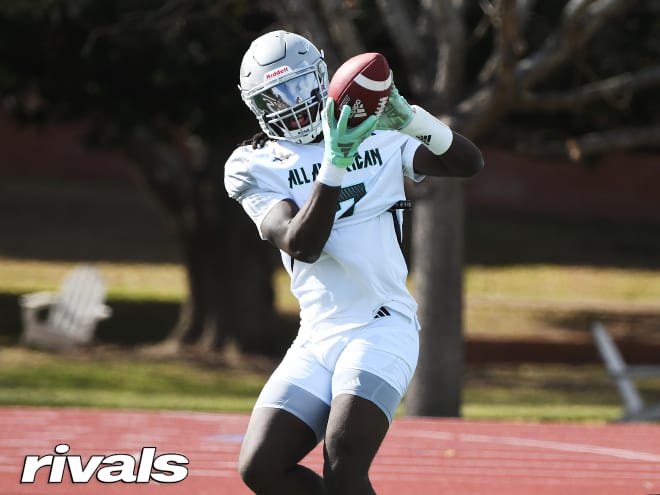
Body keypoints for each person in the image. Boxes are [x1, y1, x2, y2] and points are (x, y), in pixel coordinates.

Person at [224, 30, 483, 495]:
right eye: (275, 97)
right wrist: (336, 160)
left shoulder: (379, 135)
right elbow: (302, 244)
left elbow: (467, 162)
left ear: (321, 80)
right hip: (318, 333)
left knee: (343, 465)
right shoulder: (252, 163)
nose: (291, 104)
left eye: (298, 88)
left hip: (381, 324)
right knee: (260, 467)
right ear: (256, 107)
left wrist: (411, 118)